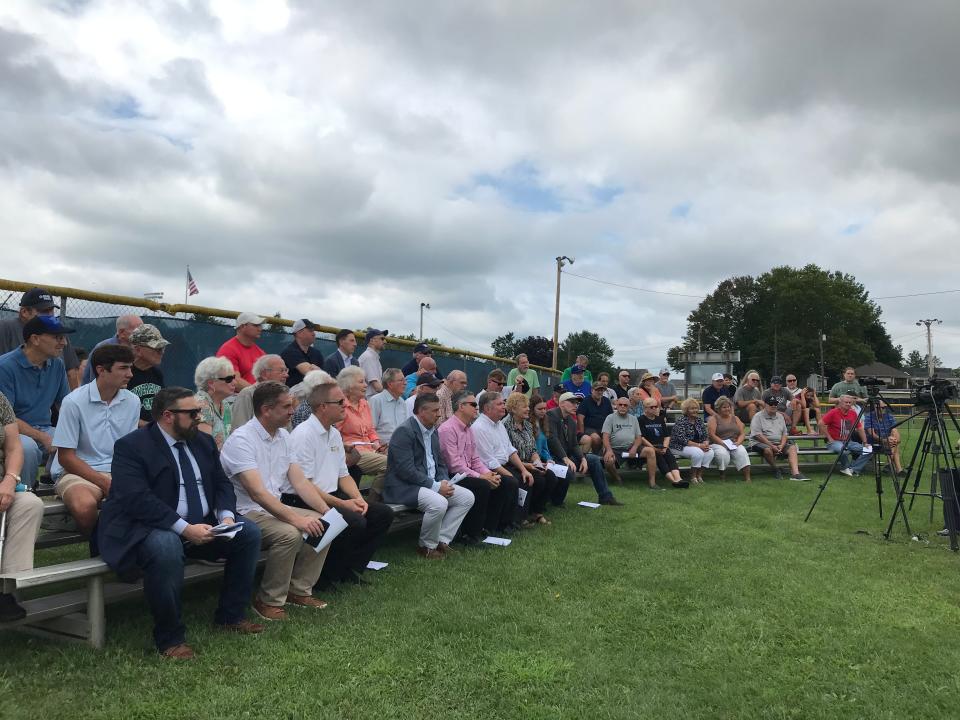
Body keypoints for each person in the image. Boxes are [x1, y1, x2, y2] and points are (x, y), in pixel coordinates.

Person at [98, 387, 264, 658]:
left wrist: (226, 517)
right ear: (167, 416)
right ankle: (170, 637)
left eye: (199, 411)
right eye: (192, 412)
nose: (200, 417)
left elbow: (222, 483)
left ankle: (231, 616)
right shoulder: (132, 446)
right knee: (166, 545)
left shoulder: (203, 442)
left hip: (204, 525)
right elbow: (137, 499)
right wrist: (184, 528)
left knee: (248, 533)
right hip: (149, 527)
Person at [220, 382, 332, 621]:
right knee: (289, 533)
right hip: (244, 511)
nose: (293, 411)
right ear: (266, 410)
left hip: (271, 507)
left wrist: (326, 510)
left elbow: (300, 482)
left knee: (326, 523)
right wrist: (297, 520)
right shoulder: (241, 440)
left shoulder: (283, 436)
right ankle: (268, 600)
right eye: (286, 407)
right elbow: (257, 494)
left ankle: (298, 590)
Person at [287, 375, 394, 590]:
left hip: (330, 496)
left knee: (382, 514)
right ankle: (326, 576)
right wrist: (344, 504)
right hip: (304, 500)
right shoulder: (303, 435)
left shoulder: (334, 434)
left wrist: (357, 498)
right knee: (354, 521)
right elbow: (305, 486)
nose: (345, 405)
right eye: (340, 402)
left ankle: (348, 568)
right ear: (323, 407)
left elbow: (343, 474)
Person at [51, 345, 140, 536]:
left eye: (130, 368)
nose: (130, 374)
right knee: (84, 507)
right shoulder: (73, 401)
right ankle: (102, 546)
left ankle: (118, 546)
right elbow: (66, 458)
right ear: (101, 370)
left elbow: (130, 449)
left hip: (118, 470)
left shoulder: (133, 401)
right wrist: (105, 483)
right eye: (123, 368)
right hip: (75, 472)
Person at [383, 393, 475, 558]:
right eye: (434, 410)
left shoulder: (432, 431)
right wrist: (436, 486)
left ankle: (442, 540)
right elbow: (406, 470)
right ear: (421, 411)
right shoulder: (404, 431)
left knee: (466, 497)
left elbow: (440, 462)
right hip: (404, 486)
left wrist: (444, 480)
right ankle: (426, 546)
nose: (439, 414)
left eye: (438, 409)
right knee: (438, 503)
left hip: (429, 483)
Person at [0, 315, 73, 487]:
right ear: (35, 339)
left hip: (45, 429)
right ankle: (21, 495)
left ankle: (54, 485)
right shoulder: (5, 367)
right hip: (11, 431)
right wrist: (43, 437)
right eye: (58, 337)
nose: (64, 343)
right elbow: (5, 418)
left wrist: (72, 433)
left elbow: (66, 405)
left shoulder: (57, 364)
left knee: (76, 441)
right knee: (27, 448)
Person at [437, 390, 505, 543]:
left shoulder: (468, 428)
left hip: (466, 473)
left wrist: (489, 474)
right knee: (482, 485)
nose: (477, 408)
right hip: (450, 476)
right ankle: (469, 533)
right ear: (461, 406)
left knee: (501, 481)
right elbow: (454, 465)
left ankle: (488, 527)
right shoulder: (448, 429)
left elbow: (475, 459)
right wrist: (482, 477)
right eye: (473, 404)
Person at [0, 390, 44, 622]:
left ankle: (7, 588)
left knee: (30, 504)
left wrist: (9, 480)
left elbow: (14, 448)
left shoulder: (0, 400)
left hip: (3, 485)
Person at [545, 392, 623, 505]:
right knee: (567, 471)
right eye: (572, 402)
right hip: (552, 459)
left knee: (593, 459)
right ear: (561, 404)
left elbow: (574, 444)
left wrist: (582, 459)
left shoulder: (571, 421)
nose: (575, 405)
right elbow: (552, 439)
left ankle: (605, 497)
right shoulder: (551, 415)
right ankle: (556, 500)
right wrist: (565, 458)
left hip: (565, 457)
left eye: (576, 403)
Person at [472, 392, 534, 530]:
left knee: (527, 476)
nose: (504, 407)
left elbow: (510, 450)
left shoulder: (498, 424)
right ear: (487, 409)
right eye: (500, 404)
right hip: (488, 470)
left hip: (504, 465)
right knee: (512, 481)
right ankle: (501, 524)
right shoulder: (479, 428)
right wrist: (510, 474)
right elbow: (489, 461)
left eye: (503, 403)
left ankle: (517, 519)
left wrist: (524, 470)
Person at [0, 287, 81, 390]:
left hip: (49, 399)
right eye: (44, 311)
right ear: (24, 312)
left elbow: (71, 372)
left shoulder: (58, 331)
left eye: (51, 310)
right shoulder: (5, 328)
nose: (49, 316)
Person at [503, 392, 557, 523]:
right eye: (524, 406)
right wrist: (527, 466)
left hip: (529, 463)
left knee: (550, 477)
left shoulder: (527, 424)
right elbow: (507, 453)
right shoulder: (505, 426)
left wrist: (538, 463)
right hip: (513, 464)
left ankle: (536, 511)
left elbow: (533, 449)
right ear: (514, 409)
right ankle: (522, 516)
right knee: (536, 480)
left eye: (528, 406)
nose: (528, 409)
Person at [337, 366, 389, 496]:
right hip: (353, 453)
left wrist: (377, 443)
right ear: (348, 385)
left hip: (370, 449)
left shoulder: (364, 403)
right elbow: (335, 434)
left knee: (400, 459)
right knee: (390, 463)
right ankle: (372, 500)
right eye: (361, 382)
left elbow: (371, 430)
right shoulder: (340, 405)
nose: (366, 385)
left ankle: (378, 499)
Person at [601, 396, 660, 490]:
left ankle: (652, 483)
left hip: (631, 447)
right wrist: (608, 450)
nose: (623, 407)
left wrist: (634, 447)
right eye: (620, 405)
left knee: (650, 451)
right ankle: (617, 478)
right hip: (615, 449)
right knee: (609, 461)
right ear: (616, 405)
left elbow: (638, 437)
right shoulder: (610, 418)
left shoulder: (633, 419)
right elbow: (605, 437)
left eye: (625, 405)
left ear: (629, 407)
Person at [748, 396, 808, 481]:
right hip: (759, 443)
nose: (773, 406)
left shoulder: (780, 416)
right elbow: (758, 435)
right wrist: (772, 446)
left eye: (775, 404)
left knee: (792, 448)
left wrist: (781, 445)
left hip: (778, 443)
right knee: (768, 450)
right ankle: (775, 469)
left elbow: (784, 433)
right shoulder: (757, 416)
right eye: (771, 404)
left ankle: (796, 473)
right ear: (765, 405)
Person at [636, 398, 688, 488]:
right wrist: (653, 448)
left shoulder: (660, 419)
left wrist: (665, 447)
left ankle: (679, 479)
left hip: (662, 445)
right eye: (652, 407)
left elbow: (666, 436)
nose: (655, 408)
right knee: (659, 458)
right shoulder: (641, 420)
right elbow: (642, 438)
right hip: (649, 447)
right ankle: (674, 481)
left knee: (670, 458)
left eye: (656, 406)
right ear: (645, 408)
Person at [80, 314, 144, 385]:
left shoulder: (139, 348)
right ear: (122, 332)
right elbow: (97, 383)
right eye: (138, 332)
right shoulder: (103, 349)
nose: (143, 335)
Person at [231, 354, 290, 430]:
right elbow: (239, 427)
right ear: (264, 374)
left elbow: (287, 429)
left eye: (286, 370)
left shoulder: (285, 396)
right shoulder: (248, 394)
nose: (286, 375)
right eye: (282, 371)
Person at [530, 394, 570, 506]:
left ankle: (556, 501)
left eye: (544, 408)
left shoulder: (543, 422)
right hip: (531, 460)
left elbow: (544, 447)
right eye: (540, 409)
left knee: (566, 474)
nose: (543, 411)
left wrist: (548, 459)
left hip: (542, 459)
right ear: (532, 409)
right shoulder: (529, 424)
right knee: (550, 478)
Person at [128, 324, 170, 426]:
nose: (162, 352)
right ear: (138, 350)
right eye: (157, 348)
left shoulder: (156, 373)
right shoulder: (125, 373)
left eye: (163, 348)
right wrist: (153, 428)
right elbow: (118, 415)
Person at [820, 395, 872, 477]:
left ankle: (853, 469)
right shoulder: (833, 412)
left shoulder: (853, 413)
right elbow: (821, 423)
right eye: (846, 402)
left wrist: (865, 443)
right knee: (844, 451)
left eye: (850, 403)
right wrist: (829, 438)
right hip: (834, 442)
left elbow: (860, 428)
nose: (848, 404)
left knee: (869, 450)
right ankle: (845, 467)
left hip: (848, 441)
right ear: (840, 402)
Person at [193, 356, 237, 450]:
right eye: (228, 379)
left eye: (234, 377)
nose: (235, 382)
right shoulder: (202, 405)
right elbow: (205, 447)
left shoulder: (225, 404)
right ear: (211, 383)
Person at [670, 398, 715, 484]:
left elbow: (705, 435)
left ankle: (699, 475)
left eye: (696, 408)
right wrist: (699, 445)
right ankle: (693, 476)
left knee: (710, 452)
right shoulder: (681, 421)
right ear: (686, 410)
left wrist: (705, 443)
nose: (695, 410)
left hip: (696, 445)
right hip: (679, 446)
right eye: (692, 408)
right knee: (698, 453)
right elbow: (682, 439)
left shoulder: (699, 420)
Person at [706, 396, 751, 482]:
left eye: (728, 407)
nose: (727, 409)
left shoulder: (735, 418)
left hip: (734, 442)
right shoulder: (713, 419)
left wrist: (738, 442)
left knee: (742, 452)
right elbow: (712, 435)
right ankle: (722, 474)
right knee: (723, 454)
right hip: (718, 443)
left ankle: (747, 477)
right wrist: (724, 444)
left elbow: (742, 433)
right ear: (718, 409)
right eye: (724, 407)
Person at [216, 312, 265, 389]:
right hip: (233, 398)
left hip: (254, 396)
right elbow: (234, 381)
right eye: (256, 325)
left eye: (260, 325)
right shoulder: (228, 349)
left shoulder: (261, 353)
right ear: (242, 326)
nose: (260, 329)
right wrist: (258, 393)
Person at [369, 368, 411, 445]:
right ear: (390, 384)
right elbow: (371, 429)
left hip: (402, 446)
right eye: (401, 380)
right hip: (383, 448)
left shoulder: (402, 402)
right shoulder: (376, 400)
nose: (405, 383)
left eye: (405, 380)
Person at [863, 400, 904, 476]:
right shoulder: (869, 416)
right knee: (895, 445)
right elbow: (871, 434)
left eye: (884, 407)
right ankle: (895, 468)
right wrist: (885, 440)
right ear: (875, 408)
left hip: (888, 441)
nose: (882, 409)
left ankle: (892, 466)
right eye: (880, 408)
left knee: (894, 436)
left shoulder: (889, 416)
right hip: (872, 442)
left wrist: (894, 439)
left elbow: (895, 431)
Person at [280, 319, 324, 387]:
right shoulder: (290, 352)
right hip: (292, 395)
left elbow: (324, 376)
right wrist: (320, 373)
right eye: (310, 330)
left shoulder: (317, 353)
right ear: (299, 333)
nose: (314, 333)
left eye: (314, 331)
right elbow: (312, 375)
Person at [577, 383, 613, 455]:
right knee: (596, 438)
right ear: (592, 390)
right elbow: (580, 418)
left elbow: (611, 417)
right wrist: (582, 434)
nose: (600, 392)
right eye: (597, 390)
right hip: (589, 428)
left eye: (601, 390)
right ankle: (596, 455)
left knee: (612, 439)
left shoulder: (607, 401)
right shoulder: (585, 401)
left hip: (604, 428)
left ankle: (607, 457)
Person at [357, 328, 389, 397]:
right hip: (369, 402)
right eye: (382, 339)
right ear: (372, 341)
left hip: (371, 401)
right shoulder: (368, 357)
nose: (385, 342)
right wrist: (391, 394)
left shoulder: (372, 356)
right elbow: (377, 386)